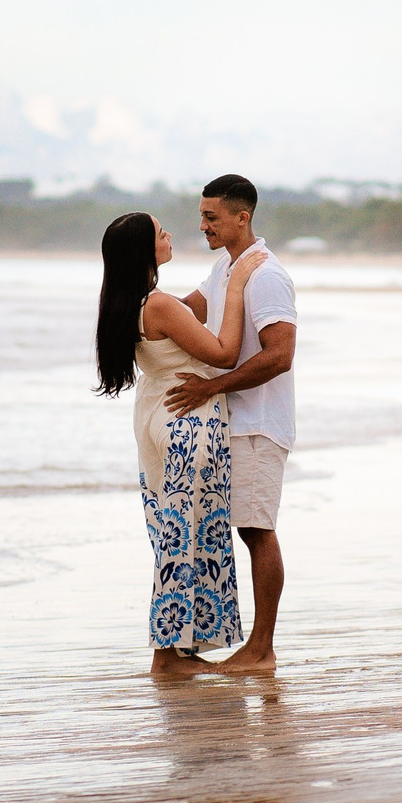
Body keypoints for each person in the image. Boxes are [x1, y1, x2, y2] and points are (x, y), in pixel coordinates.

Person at [95, 210, 269, 676]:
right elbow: (225, 354)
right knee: (185, 535)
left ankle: (179, 650)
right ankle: (166, 657)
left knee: (172, 532)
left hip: (155, 413)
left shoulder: (127, 301)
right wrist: (235, 288)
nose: (170, 235)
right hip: (186, 418)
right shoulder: (159, 305)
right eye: (160, 233)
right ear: (143, 251)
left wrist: (225, 277)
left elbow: (198, 309)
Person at [166, 173, 296, 674]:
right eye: (201, 215)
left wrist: (210, 387)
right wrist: (135, 308)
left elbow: (279, 356)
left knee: (257, 531)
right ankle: (245, 644)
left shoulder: (265, 275)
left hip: (259, 423)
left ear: (242, 218)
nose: (202, 225)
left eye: (211, 216)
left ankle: (262, 648)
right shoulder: (226, 267)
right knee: (239, 530)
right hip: (231, 423)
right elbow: (187, 311)